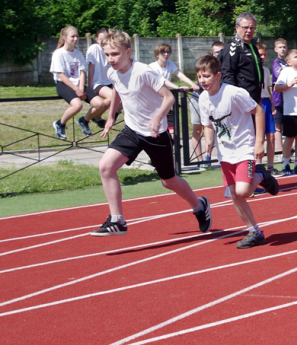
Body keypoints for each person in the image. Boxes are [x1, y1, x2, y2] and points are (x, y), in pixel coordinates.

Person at [91, 29, 211, 236]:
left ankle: (199, 206)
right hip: (132, 130)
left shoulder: (144, 71)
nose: (110, 59)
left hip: (156, 134)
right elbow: (117, 91)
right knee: (106, 167)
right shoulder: (112, 72)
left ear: (128, 52)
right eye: (107, 55)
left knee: (169, 181)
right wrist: (111, 117)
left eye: (115, 54)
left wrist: (156, 118)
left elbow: (169, 98)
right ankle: (117, 220)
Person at [196, 54, 279, 248]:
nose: (202, 81)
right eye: (199, 77)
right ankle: (255, 231)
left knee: (242, 191)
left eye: (206, 76)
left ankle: (260, 175)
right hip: (225, 152)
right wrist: (209, 141)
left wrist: (259, 142)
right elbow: (208, 124)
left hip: (244, 147)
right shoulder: (202, 99)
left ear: (218, 76)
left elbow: (258, 111)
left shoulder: (233, 93)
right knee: (233, 194)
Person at [274, 48, 297, 175]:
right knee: (289, 138)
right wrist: (289, 85)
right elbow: (277, 87)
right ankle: (286, 165)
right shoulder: (286, 71)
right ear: (289, 62)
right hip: (290, 111)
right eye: (296, 57)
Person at [149, 43, 200, 133]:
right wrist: (178, 87)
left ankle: (172, 142)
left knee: (172, 128)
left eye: (168, 52)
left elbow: (180, 75)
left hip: (165, 100)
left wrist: (193, 84)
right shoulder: (152, 67)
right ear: (157, 54)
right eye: (163, 52)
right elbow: (162, 81)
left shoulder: (170, 64)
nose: (166, 54)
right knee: (157, 128)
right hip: (154, 101)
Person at [50, 26, 89, 140]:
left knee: (100, 103)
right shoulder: (59, 53)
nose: (75, 38)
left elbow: (82, 71)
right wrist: (76, 89)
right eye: (73, 36)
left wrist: (81, 87)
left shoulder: (78, 53)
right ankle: (60, 123)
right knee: (78, 105)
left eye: (77, 36)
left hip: (78, 84)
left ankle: (85, 121)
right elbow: (61, 75)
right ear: (65, 38)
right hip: (64, 84)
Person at [84, 27, 114, 130]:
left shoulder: (110, 48)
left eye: (105, 38)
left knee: (123, 97)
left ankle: (98, 116)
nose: (102, 41)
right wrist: (90, 86)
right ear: (96, 39)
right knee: (113, 96)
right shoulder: (94, 48)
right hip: (98, 83)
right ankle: (88, 118)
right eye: (100, 38)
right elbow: (90, 69)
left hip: (109, 82)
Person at [256, 43, 278, 175]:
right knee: (258, 137)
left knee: (271, 136)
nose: (263, 57)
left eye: (264, 55)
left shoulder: (265, 70)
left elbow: (268, 88)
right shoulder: (251, 70)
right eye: (260, 55)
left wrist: (272, 103)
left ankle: (270, 166)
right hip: (256, 103)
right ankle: (257, 165)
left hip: (266, 102)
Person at [271, 38, 288, 175]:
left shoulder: (286, 62)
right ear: (275, 49)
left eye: (284, 47)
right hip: (278, 98)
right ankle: (280, 151)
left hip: (288, 98)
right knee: (278, 126)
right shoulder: (276, 63)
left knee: (285, 126)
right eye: (280, 47)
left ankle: (286, 151)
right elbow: (280, 77)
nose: (283, 49)